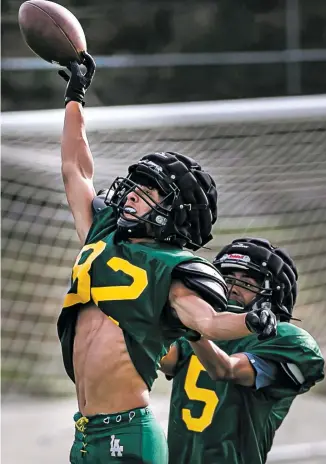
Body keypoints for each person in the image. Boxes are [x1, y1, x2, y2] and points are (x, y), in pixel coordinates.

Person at [56, 54, 277, 464]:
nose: (131, 194)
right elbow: (75, 167)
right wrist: (75, 97)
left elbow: (208, 323)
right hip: (84, 434)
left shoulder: (171, 269)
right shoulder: (101, 231)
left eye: (147, 191)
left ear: (173, 212)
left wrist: (251, 319)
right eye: (133, 186)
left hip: (126, 434)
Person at [162, 237, 325, 464]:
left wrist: (193, 328)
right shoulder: (200, 330)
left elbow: (226, 369)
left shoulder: (289, 340)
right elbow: (162, 358)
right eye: (227, 277)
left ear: (272, 294)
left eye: (247, 281)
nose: (232, 288)